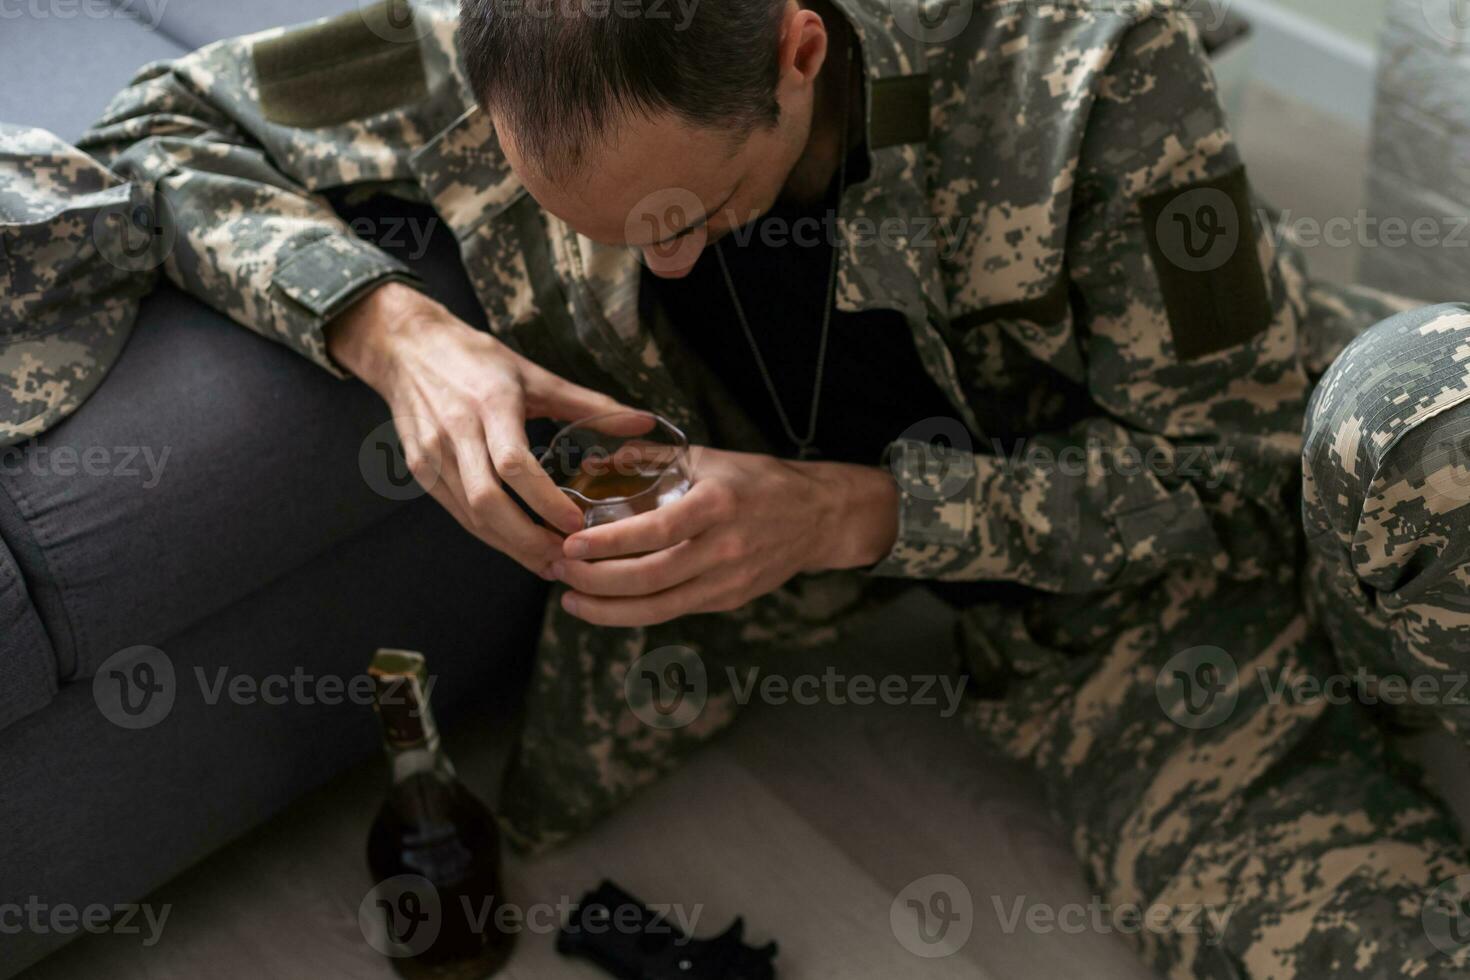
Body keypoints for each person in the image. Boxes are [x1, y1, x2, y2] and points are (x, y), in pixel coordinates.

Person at [68, 0, 1470, 974]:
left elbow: (1227, 469)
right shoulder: (515, 51)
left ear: (798, 51)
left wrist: (846, 511)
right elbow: (157, 127)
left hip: (1269, 485)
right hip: (1108, 636)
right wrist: (396, 334)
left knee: (1416, 418)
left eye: (691, 211)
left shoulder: (1090, 64)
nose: (660, 264)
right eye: (608, 231)